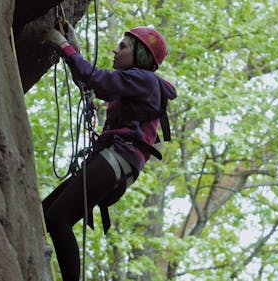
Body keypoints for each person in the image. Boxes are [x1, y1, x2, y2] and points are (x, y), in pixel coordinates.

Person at [41, 24, 177, 281]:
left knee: (58, 218)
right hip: (114, 160)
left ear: (140, 54)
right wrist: (74, 50)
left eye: (123, 47)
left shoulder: (144, 80)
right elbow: (94, 84)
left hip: (117, 158)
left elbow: (98, 79)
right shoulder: (136, 83)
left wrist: (64, 46)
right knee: (45, 214)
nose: (116, 50)